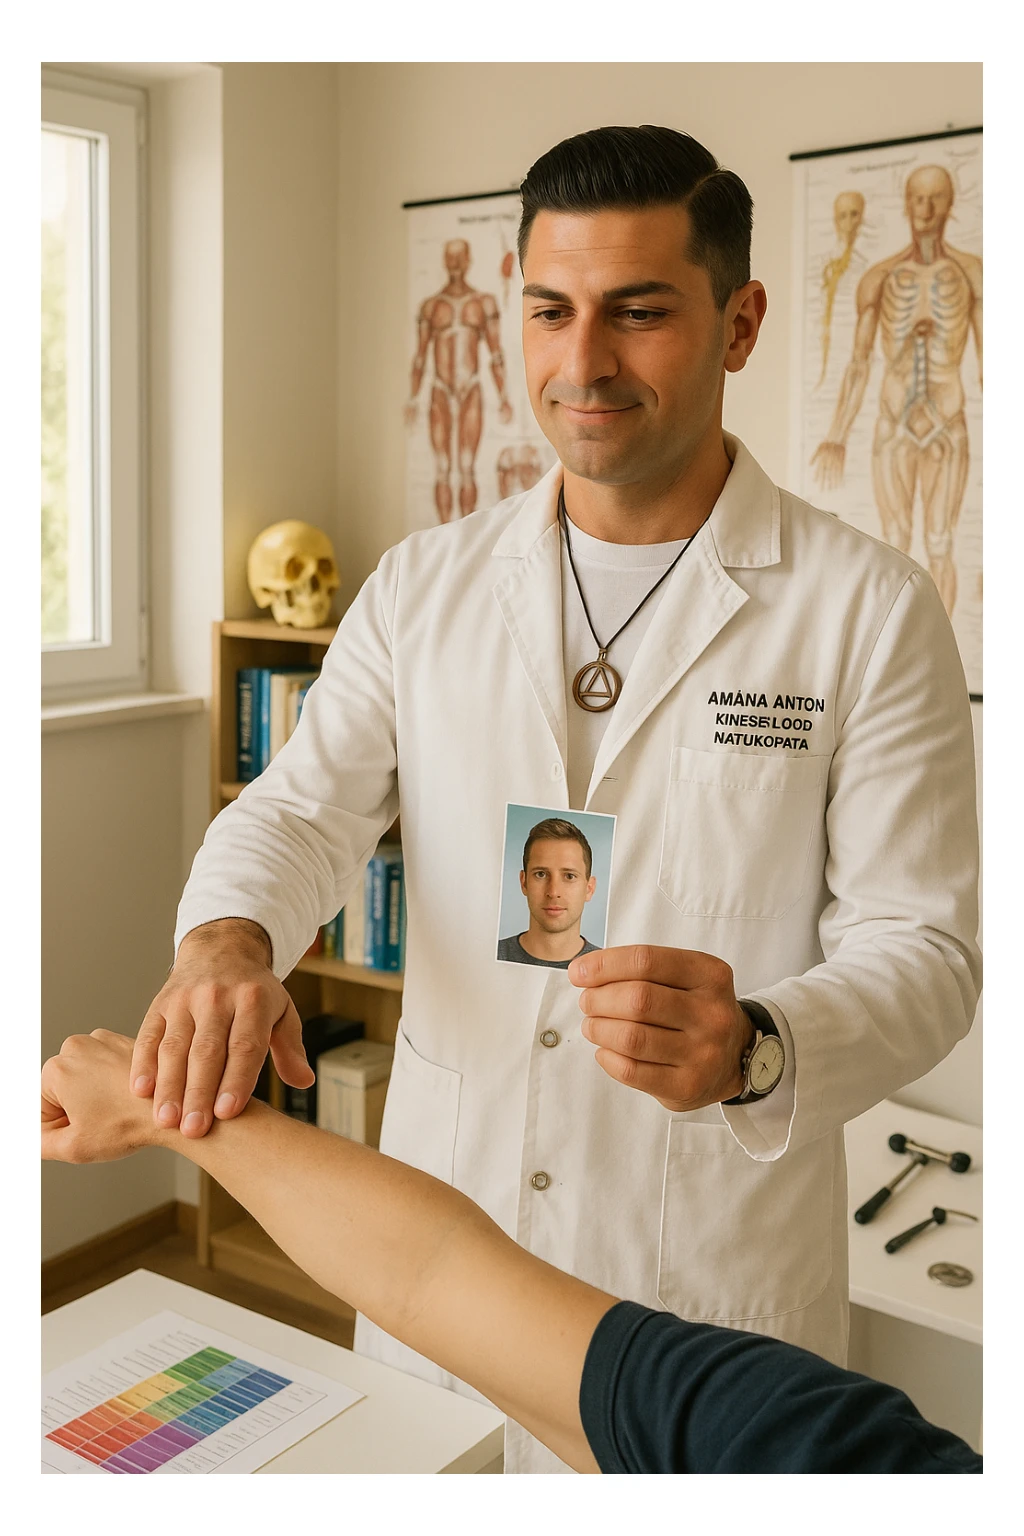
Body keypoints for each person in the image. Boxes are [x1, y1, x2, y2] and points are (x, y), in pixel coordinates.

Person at [134, 126, 981, 1473]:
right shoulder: (422, 588)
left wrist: (760, 1047)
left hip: (701, 1294)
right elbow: (300, 814)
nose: (581, 363)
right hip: (440, 1271)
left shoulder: (867, 610)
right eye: (549, 309)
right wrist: (228, 942)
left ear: (740, 323)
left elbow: (924, 952)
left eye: (639, 312)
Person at [42, 1031, 982, 1475]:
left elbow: (435, 1272)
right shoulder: (817, 1446)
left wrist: (160, 1111)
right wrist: (171, 1103)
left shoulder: (812, 1447)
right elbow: (430, 1270)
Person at [811, 164, 983, 616]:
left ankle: (944, 654)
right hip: (894, 426)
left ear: (950, 204)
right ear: (906, 203)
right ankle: (896, 652)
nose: (925, 208)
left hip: (948, 422)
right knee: (894, 546)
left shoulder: (971, 273)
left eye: (935, 197)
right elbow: (859, 363)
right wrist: (836, 435)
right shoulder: (879, 278)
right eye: (917, 198)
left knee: (940, 541)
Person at [405, 237, 514, 523]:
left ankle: (467, 537)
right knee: (442, 468)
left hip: (471, 390)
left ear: (468, 261)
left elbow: (496, 355)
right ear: (444, 261)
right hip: (440, 390)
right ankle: (444, 535)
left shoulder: (483, 303)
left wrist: (504, 397)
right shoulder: (431, 306)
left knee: (466, 468)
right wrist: (413, 398)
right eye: (449, 258)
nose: (454, 264)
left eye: (459, 258)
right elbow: (420, 357)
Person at [497, 817, 600, 968]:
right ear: (524, 882)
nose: (553, 892)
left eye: (569, 876)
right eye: (541, 874)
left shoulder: (607, 969)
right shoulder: (489, 955)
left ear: (589, 889)